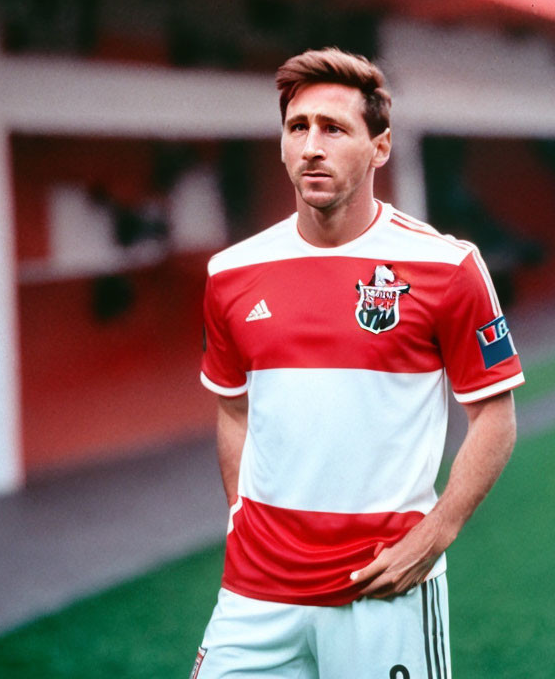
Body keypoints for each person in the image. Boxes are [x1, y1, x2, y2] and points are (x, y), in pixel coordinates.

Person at [191, 47, 523, 679]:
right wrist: (240, 514)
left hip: (382, 587)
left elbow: (495, 418)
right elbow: (233, 410)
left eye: (335, 128)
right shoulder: (230, 274)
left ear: (380, 147)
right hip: (255, 592)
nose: (312, 146)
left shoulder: (446, 267)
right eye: (298, 127)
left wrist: (437, 532)